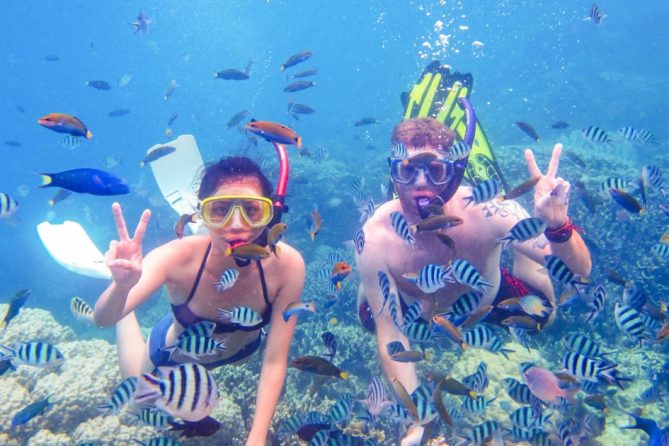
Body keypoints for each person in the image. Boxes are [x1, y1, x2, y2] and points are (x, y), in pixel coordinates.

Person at [355, 117, 591, 445]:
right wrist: (417, 421)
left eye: (435, 171)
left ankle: (520, 252)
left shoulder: (491, 210)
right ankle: (371, 282)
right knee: (370, 318)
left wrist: (557, 226)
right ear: (392, 173)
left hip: (484, 299)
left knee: (545, 316)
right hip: (415, 313)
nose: (420, 184)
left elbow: (580, 271)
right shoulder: (375, 236)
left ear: (454, 171)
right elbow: (391, 334)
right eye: (407, 170)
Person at [93, 156, 305, 445]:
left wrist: (257, 438)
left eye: (253, 211)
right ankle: (114, 286)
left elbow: (274, 360)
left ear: (271, 214)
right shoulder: (177, 257)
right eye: (219, 211)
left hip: (239, 355)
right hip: (174, 355)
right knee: (137, 403)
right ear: (200, 214)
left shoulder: (288, 266)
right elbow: (102, 320)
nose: (237, 225)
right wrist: (121, 287)